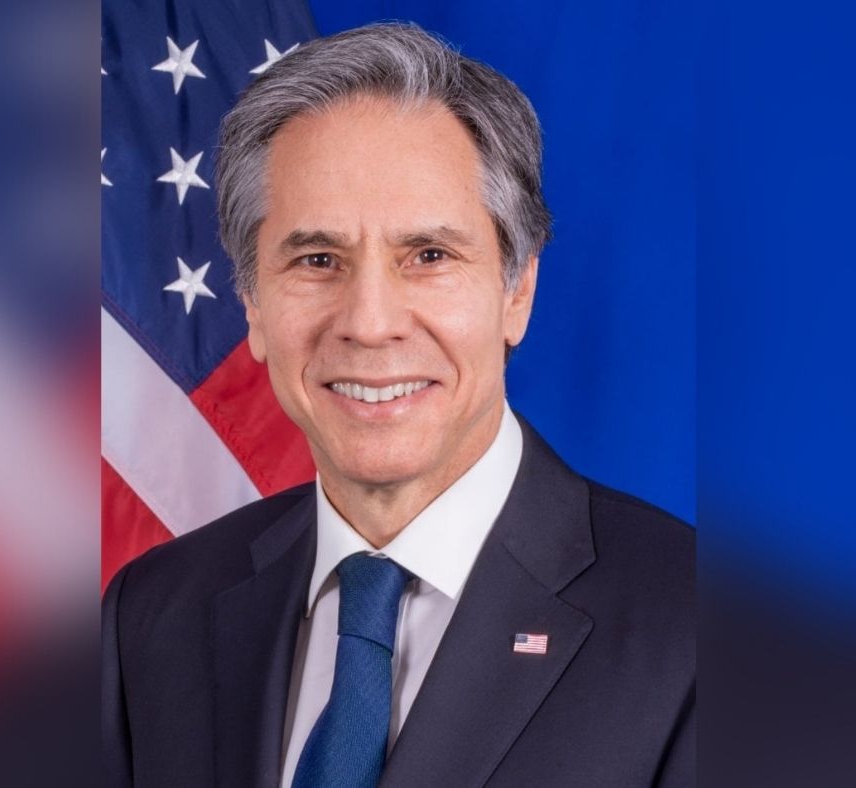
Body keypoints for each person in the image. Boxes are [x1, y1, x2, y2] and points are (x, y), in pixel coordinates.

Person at [102, 23, 694, 788]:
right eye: (318, 260)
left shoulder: (694, 633)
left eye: (429, 256)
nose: (370, 322)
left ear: (517, 290)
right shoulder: (152, 615)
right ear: (251, 301)